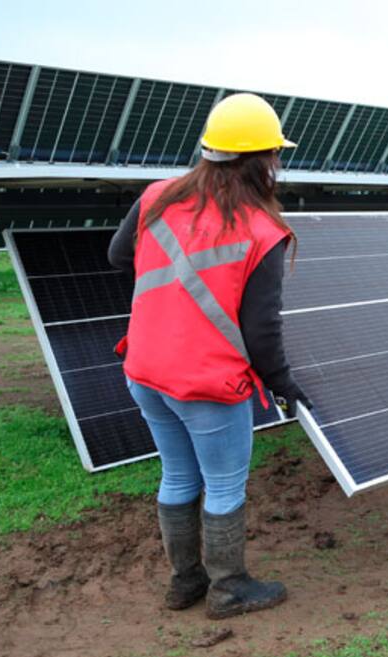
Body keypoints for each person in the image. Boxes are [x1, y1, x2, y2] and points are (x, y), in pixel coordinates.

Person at [107, 93, 310, 620]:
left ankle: (184, 583)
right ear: (264, 159)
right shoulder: (263, 230)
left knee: (177, 476)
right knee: (222, 484)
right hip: (206, 384)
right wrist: (283, 382)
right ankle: (228, 587)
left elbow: (116, 255)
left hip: (145, 369)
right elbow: (262, 331)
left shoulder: (156, 196)